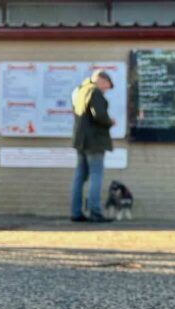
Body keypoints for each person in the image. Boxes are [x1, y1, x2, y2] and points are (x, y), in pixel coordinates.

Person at [70, 70, 116, 222]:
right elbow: (99, 116)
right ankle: (95, 212)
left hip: (80, 140)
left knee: (79, 177)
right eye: (106, 86)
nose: (105, 89)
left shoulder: (79, 90)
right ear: (100, 80)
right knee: (96, 175)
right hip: (94, 141)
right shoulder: (94, 92)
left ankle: (75, 212)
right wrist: (110, 122)